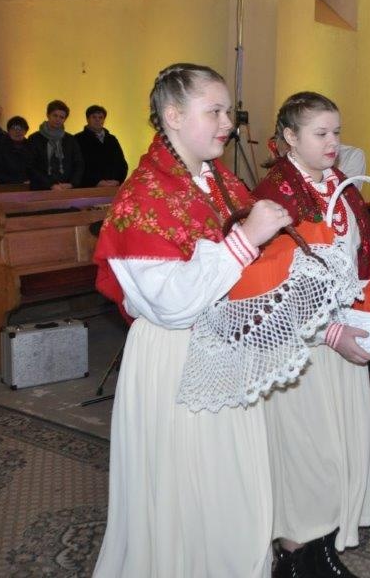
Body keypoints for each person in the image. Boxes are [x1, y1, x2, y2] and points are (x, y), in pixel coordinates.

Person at [92, 63, 293, 577]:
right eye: (215, 111)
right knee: (185, 487)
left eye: (229, 112)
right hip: (174, 357)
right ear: (174, 115)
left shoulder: (217, 180)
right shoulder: (142, 196)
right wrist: (247, 238)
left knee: (229, 482)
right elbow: (171, 302)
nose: (228, 123)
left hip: (223, 350)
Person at [254, 91, 370, 578]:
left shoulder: (341, 186)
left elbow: (359, 251)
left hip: (343, 339)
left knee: (340, 448)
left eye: (337, 132)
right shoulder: (276, 196)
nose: (333, 142)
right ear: (290, 137)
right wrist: (328, 331)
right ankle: (293, 559)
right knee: (307, 455)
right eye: (321, 133)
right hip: (301, 349)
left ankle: (323, 550)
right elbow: (270, 286)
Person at [26, 99, 84, 189]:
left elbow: (79, 164)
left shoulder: (70, 139)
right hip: (41, 189)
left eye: (62, 117)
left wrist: (72, 183)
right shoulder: (34, 138)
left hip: (66, 188)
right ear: (48, 115)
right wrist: (50, 185)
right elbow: (30, 166)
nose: (58, 119)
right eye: (55, 115)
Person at [76, 104, 128, 187]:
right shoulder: (78, 139)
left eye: (100, 117)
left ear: (104, 120)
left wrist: (118, 180)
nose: (97, 120)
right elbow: (78, 166)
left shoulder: (112, 139)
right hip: (88, 188)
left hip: (113, 186)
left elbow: (122, 163)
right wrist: (96, 182)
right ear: (87, 119)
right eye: (94, 117)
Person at [0, 116, 32, 184]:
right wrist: (18, 182)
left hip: (28, 184)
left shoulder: (31, 146)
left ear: (26, 131)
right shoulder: (0, 146)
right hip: (6, 186)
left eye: (21, 128)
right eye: (13, 128)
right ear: (8, 131)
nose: (17, 131)